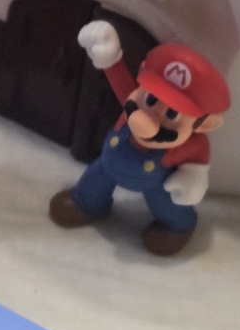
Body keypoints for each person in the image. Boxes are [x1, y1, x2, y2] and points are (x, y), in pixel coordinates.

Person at [48, 22, 230, 257]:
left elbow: (198, 155)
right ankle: (86, 203)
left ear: (204, 125)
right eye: (151, 100)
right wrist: (110, 56)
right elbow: (120, 81)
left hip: (154, 184)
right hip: (107, 167)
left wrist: (194, 176)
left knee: (167, 205)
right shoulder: (132, 105)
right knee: (93, 183)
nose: (146, 119)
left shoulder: (190, 143)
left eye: (172, 114)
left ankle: (178, 226)